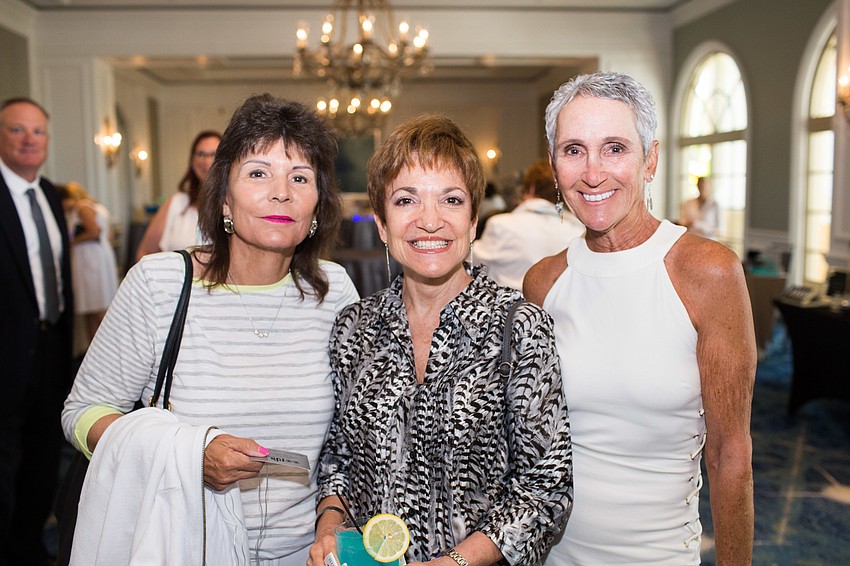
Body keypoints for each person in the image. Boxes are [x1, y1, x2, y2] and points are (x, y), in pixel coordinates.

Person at [61, 94, 359, 564]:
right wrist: (187, 454)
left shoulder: (335, 291)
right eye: (258, 173)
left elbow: (350, 435)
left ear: (317, 205)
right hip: (183, 545)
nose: (280, 192)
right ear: (223, 197)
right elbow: (81, 413)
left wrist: (330, 524)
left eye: (300, 177)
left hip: (304, 554)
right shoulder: (160, 283)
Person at [309, 115, 573, 566]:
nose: (429, 221)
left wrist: (455, 562)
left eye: (450, 200)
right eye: (406, 200)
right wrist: (330, 526)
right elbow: (338, 457)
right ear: (382, 225)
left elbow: (545, 489)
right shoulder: (353, 328)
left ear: (473, 222)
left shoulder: (520, 328)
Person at [524, 72, 755, 565]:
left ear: (650, 159)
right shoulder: (542, 282)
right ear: (553, 165)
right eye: (573, 150)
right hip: (551, 555)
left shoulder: (707, 273)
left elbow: (729, 455)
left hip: (659, 554)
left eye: (614, 148)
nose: (592, 172)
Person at [0, 97, 74, 566]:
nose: (29, 140)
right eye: (17, 131)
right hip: (5, 353)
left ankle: (28, 547)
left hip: (51, 349)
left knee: (44, 457)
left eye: (38, 132)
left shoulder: (50, 193)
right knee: (4, 462)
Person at [474, 158, 585, 290]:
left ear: (531, 189)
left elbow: (473, 267)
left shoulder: (502, 225)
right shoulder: (579, 232)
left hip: (508, 308)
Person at [135, 129, 221, 261]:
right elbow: (144, 252)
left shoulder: (235, 205)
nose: (207, 161)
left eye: (214, 154)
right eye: (201, 154)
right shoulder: (176, 203)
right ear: (192, 161)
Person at [58, 182, 119, 342]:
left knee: (97, 304)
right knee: (91, 306)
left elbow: (94, 232)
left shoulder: (82, 208)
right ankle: (93, 348)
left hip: (90, 259)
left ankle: (110, 346)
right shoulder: (92, 206)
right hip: (94, 256)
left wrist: (70, 241)